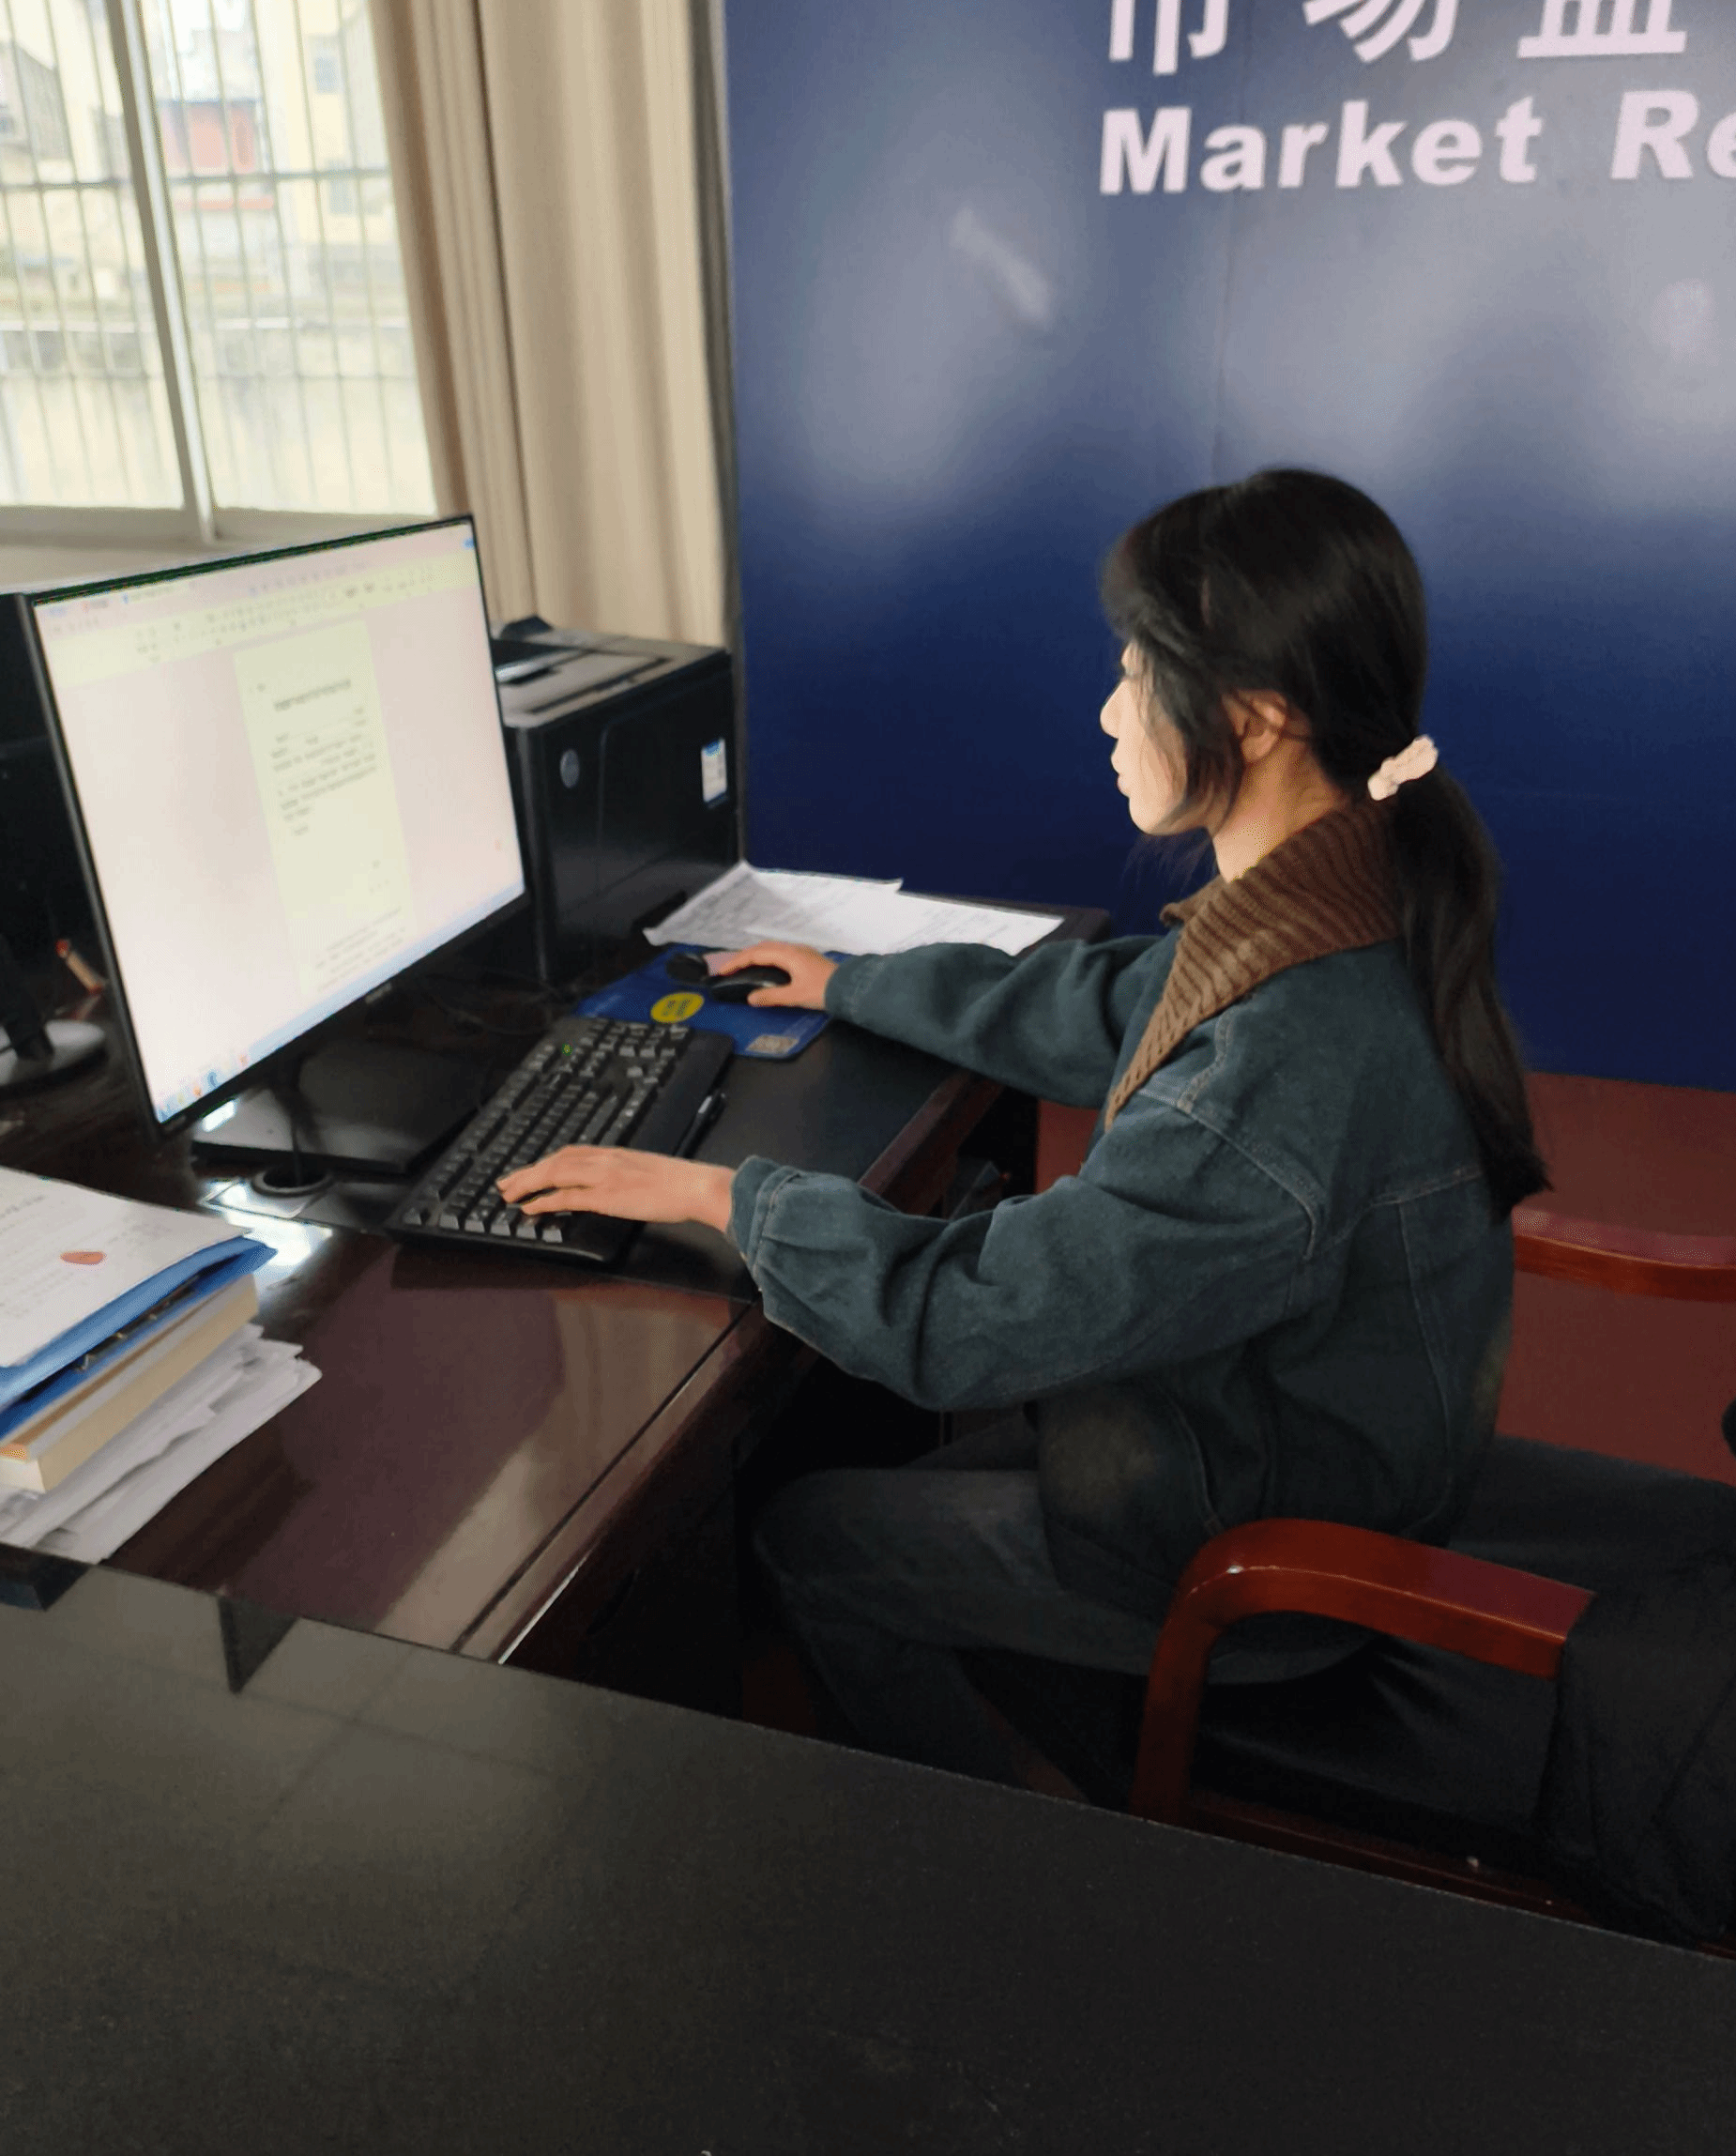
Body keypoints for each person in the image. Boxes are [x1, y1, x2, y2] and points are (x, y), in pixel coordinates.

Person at [497, 466, 1549, 1787]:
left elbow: (966, 1321)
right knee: (893, 1441)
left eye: (1136, 671)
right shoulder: (1358, 885)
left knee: (810, 1534)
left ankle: (1017, 1851)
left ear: (1259, 714)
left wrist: (724, 1196)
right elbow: (1120, 1001)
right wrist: (853, 981)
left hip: (1254, 1558)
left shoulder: (1274, 1072)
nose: (1110, 710)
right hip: (1302, 1439)